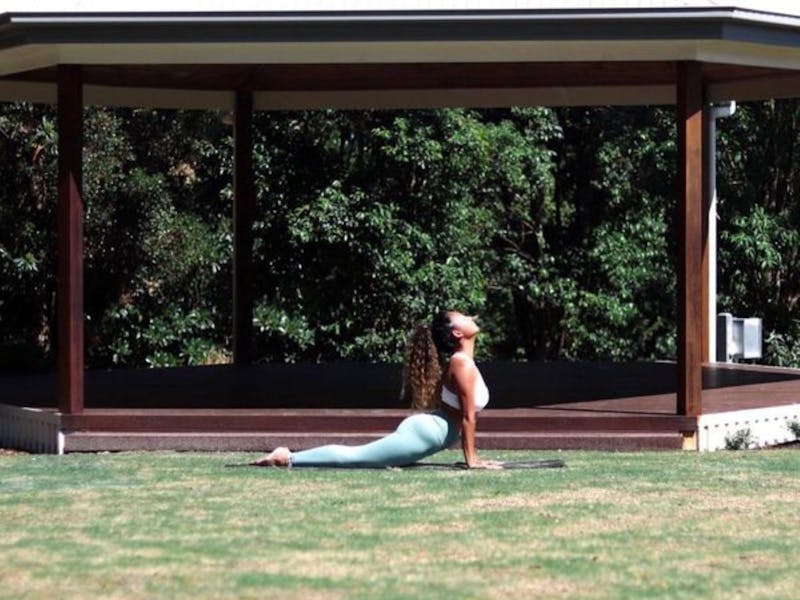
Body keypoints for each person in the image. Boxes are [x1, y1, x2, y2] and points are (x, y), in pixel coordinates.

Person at [251, 310, 502, 469]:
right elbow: (468, 417)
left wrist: (473, 459)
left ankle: (290, 457)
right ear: (458, 332)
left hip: (432, 431)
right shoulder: (461, 364)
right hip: (429, 434)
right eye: (462, 316)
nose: (470, 315)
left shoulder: (464, 363)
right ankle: (288, 457)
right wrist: (473, 461)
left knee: (360, 456)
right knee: (357, 458)